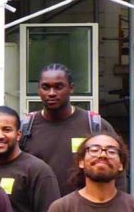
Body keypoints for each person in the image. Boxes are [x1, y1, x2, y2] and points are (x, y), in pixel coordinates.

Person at [22, 63, 120, 196]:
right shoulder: (26, 128)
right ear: (39, 90)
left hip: (84, 211)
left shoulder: (95, 126)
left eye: (59, 87)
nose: (51, 93)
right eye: (46, 87)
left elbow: (117, 170)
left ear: (71, 88)